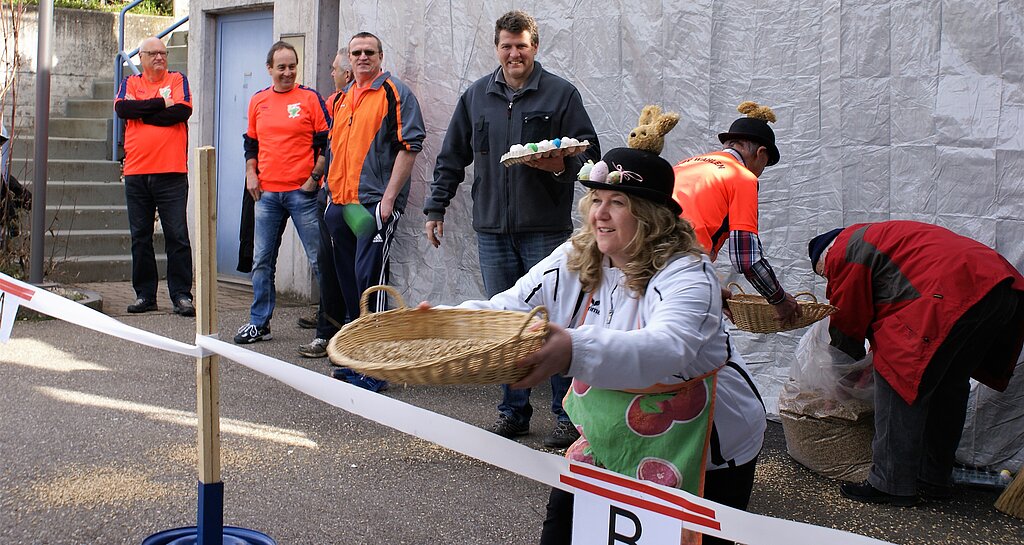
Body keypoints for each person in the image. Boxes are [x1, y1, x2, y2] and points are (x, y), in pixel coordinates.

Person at [429, 147, 765, 545]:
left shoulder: (689, 273)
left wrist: (572, 349)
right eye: (596, 200)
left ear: (651, 216)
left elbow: (666, 348)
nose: (599, 214)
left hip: (709, 445)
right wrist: (443, 323)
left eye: (617, 202)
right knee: (563, 532)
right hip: (612, 433)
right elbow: (511, 309)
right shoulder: (576, 257)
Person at [424, 10, 600, 448]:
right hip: (492, 230)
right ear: (497, 47)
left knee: (555, 319)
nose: (513, 53)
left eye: (521, 45)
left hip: (544, 228)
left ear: (534, 47)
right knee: (505, 322)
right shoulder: (476, 96)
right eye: (506, 45)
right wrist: (435, 207)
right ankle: (514, 411)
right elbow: (452, 157)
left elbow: (589, 154)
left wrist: (562, 165)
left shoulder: (561, 94)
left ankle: (567, 416)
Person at [808, 221, 1024, 506]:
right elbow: (892, 304)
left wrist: (840, 380)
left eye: (825, 275)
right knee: (949, 385)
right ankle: (934, 479)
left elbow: (847, 319)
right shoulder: (880, 237)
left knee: (897, 378)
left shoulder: (843, 251)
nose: (828, 282)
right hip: (1000, 285)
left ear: (825, 256)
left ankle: (890, 483)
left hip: (953, 292)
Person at [324, 32, 425, 390]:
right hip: (342, 206)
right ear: (348, 59)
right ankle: (355, 359)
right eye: (356, 53)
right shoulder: (341, 99)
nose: (363, 57)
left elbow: (410, 146)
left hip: (371, 208)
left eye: (369, 52)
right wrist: (329, 197)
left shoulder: (393, 92)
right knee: (350, 285)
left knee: (372, 284)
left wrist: (387, 201)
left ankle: (376, 367)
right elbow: (334, 150)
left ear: (380, 56)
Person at [235, 41, 330, 344]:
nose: (287, 72)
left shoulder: (310, 98)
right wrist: (251, 173)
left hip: (302, 193)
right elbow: (251, 143)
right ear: (270, 69)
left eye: (292, 66)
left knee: (320, 260)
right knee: (262, 260)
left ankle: (332, 325)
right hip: (266, 195)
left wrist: (315, 178)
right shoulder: (258, 101)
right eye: (281, 67)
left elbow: (328, 142)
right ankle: (259, 323)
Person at [671, 101, 799, 323]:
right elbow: (746, 258)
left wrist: (710, 286)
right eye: (766, 164)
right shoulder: (741, 177)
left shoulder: (685, 164)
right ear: (761, 153)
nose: (760, 172)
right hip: (680, 272)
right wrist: (779, 299)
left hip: (642, 264)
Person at [113, 36, 195, 317]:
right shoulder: (130, 83)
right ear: (142, 57)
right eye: (153, 53)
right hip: (136, 172)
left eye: (163, 52)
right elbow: (123, 109)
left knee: (177, 235)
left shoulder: (177, 79)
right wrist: (161, 103)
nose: (160, 57)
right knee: (140, 237)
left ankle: (182, 295)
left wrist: (144, 112)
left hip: (171, 172)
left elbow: (182, 111)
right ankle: (145, 295)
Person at [297, 49, 354, 359]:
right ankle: (325, 332)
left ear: (346, 74)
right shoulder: (335, 103)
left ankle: (352, 334)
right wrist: (319, 179)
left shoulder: (376, 99)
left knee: (356, 266)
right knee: (327, 263)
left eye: (334, 69)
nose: (331, 74)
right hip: (328, 198)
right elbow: (326, 146)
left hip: (358, 204)